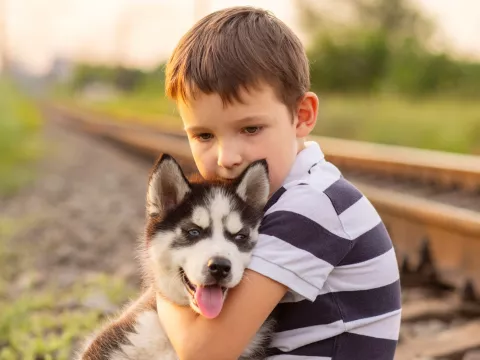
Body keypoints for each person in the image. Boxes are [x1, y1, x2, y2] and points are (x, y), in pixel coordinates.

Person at [155, 6, 401, 360]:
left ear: (302, 117)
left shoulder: (310, 207)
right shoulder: (290, 195)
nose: (227, 157)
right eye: (204, 135)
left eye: (250, 129)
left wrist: (162, 290)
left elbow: (202, 351)